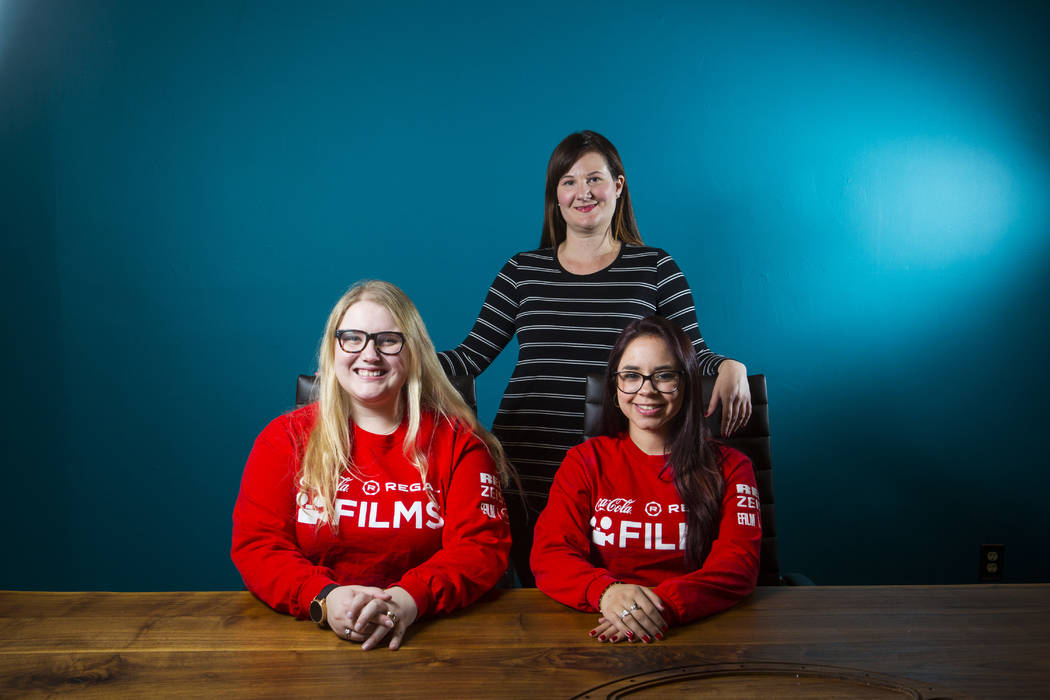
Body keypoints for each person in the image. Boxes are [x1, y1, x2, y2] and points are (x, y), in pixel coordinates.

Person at [438, 130, 751, 585]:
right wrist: (394, 355)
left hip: (614, 472)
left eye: (594, 179)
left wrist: (729, 365)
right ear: (555, 196)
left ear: (619, 186)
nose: (582, 192)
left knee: (605, 596)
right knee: (531, 600)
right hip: (526, 464)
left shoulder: (655, 269)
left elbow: (691, 355)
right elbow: (470, 357)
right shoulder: (521, 271)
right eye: (568, 181)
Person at [232, 280, 512, 650]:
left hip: (434, 637)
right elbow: (258, 546)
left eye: (387, 340)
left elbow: (481, 547)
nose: (369, 354)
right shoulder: (284, 439)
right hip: (307, 638)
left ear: (414, 353)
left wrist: (407, 600)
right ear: (333, 350)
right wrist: (324, 598)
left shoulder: (459, 441)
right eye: (353, 338)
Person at [530, 316, 760, 642]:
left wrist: (656, 608)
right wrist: (607, 592)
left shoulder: (732, 467)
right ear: (615, 385)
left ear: (687, 382)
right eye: (631, 376)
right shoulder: (584, 461)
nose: (646, 390)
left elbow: (737, 567)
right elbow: (549, 554)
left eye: (664, 376)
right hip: (597, 625)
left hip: (700, 630)